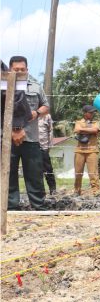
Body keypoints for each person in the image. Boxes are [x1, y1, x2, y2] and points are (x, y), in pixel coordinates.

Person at [6, 56, 49, 210]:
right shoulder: (3, 86)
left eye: (22, 69)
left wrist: (37, 112)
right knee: (8, 174)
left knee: (35, 175)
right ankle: (10, 207)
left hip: (31, 139)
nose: (19, 72)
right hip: (6, 140)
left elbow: (45, 105)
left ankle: (39, 207)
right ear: (10, 69)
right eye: (15, 69)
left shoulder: (36, 86)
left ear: (27, 70)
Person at [73, 104, 100, 195]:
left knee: (93, 173)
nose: (93, 114)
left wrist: (82, 130)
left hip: (92, 151)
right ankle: (77, 191)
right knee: (78, 173)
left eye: (93, 112)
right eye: (90, 112)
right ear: (85, 113)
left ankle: (96, 192)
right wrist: (89, 130)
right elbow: (77, 129)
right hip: (79, 151)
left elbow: (96, 130)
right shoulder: (78, 122)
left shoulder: (96, 122)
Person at [38, 112, 56, 195]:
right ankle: (40, 191)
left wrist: (49, 146)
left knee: (48, 169)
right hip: (33, 147)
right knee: (36, 170)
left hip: (44, 146)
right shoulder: (30, 114)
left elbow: (50, 131)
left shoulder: (47, 116)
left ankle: (53, 189)